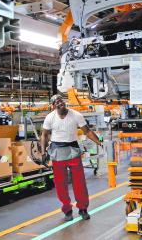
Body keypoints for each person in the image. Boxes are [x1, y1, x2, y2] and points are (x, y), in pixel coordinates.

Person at [41, 94, 103, 222]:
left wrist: (99, 142)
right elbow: (44, 135)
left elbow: (87, 131)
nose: (60, 103)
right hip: (57, 152)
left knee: (79, 182)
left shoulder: (76, 115)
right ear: (53, 106)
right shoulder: (50, 118)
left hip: (73, 150)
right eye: (57, 102)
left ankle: (83, 208)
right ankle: (67, 210)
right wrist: (43, 152)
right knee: (60, 184)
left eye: (61, 101)